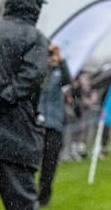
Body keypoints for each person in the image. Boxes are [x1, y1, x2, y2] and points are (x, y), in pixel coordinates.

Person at [0, 0, 49, 210]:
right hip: (16, 135)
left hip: (12, 132)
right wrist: (5, 97)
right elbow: (31, 77)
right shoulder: (34, 37)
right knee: (21, 204)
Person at [36, 44, 72, 207]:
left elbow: (68, 80)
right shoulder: (38, 71)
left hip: (54, 123)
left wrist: (60, 60)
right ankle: (29, 193)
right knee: (31, 161)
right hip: (37, 123)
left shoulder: (59, 72)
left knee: (49, 163)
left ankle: (44, 196)